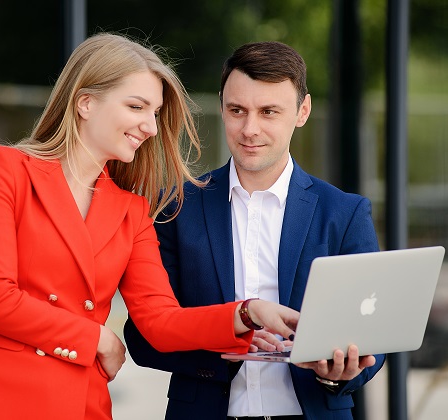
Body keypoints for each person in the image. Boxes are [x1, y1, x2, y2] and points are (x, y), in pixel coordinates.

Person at [0, 33, 300, 420]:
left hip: (77, 400)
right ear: (85, 102)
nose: (150, 127)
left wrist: (248, 312)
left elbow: (159, 320)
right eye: (137, 106)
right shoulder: (5, 169)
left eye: (154, 113)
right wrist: (93, 337)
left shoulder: (132, 211)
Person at [124, 41, 386, 419]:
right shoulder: (175, 208)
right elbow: (143, 337)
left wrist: (339, 375)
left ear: (302, 111)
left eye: (268, 112)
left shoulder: (344, 213)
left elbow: (374, 332)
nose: (250, 129)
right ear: (221, 107)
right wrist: (228, 345)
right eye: (237, 110)